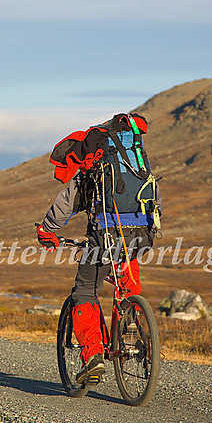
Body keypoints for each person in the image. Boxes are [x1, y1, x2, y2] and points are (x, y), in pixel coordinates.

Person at [36, 113, 159, 385]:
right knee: (127, 284)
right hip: (140, 236)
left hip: (104, 237)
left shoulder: (94, 170)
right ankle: (131, 328)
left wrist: (46, 231)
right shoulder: (139, 164)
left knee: (84, 290)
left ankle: (93, 356)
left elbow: (66, 203)